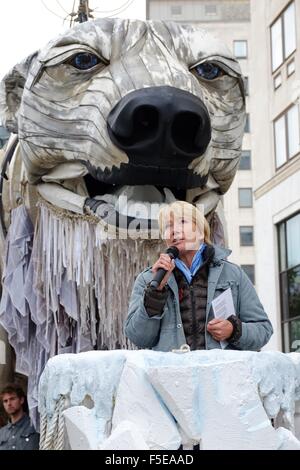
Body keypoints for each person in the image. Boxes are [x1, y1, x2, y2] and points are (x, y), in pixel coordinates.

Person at [125, 201, 273, 352]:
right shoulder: (149, 279)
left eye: (182, 221)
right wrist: (155, 293)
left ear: (201, 232)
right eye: (168, 226)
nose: (174, 230)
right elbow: (138, 338)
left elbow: (263, 330)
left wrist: (234, 330)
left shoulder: (233, 274)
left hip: (222, 373)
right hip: (172, 373)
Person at [0, 383, 39, 450]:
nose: (9, 403)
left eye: (12, 399)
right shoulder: (2, 432)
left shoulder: (35, 425)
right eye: (5, 401)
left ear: (21, 400)